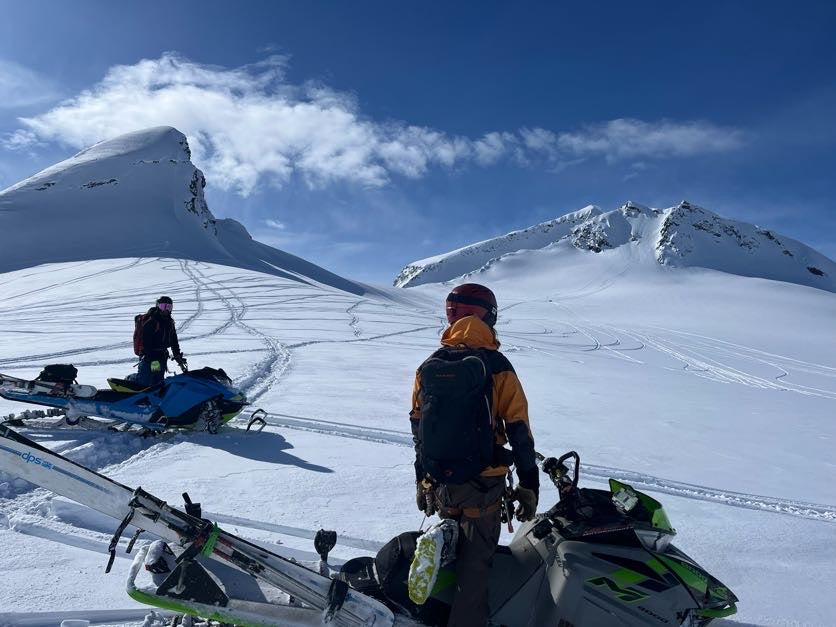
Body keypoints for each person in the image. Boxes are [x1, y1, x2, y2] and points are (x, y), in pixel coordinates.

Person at [409, 283, 538, 627]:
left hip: (440, 481)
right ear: (487, 315)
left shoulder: (429, 365)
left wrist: (423, 478)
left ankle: (433, 591)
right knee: (475, 568)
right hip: (484, 483)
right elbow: (519, 431)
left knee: (452, 545)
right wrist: (529, 484)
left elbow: (418, 427)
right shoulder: (497, 365)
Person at [136, 296, 187, 386]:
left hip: (161, 357)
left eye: (168, 307)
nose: (165, 310)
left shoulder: (170, 322)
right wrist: (149, 356)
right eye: (163, 306)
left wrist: (177, 355)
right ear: (158, 307)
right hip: (149, 357)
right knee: (143, 383)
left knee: (158, 383)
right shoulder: (151, 321)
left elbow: (174, 340)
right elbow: (145, 341)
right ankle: (130, 381)